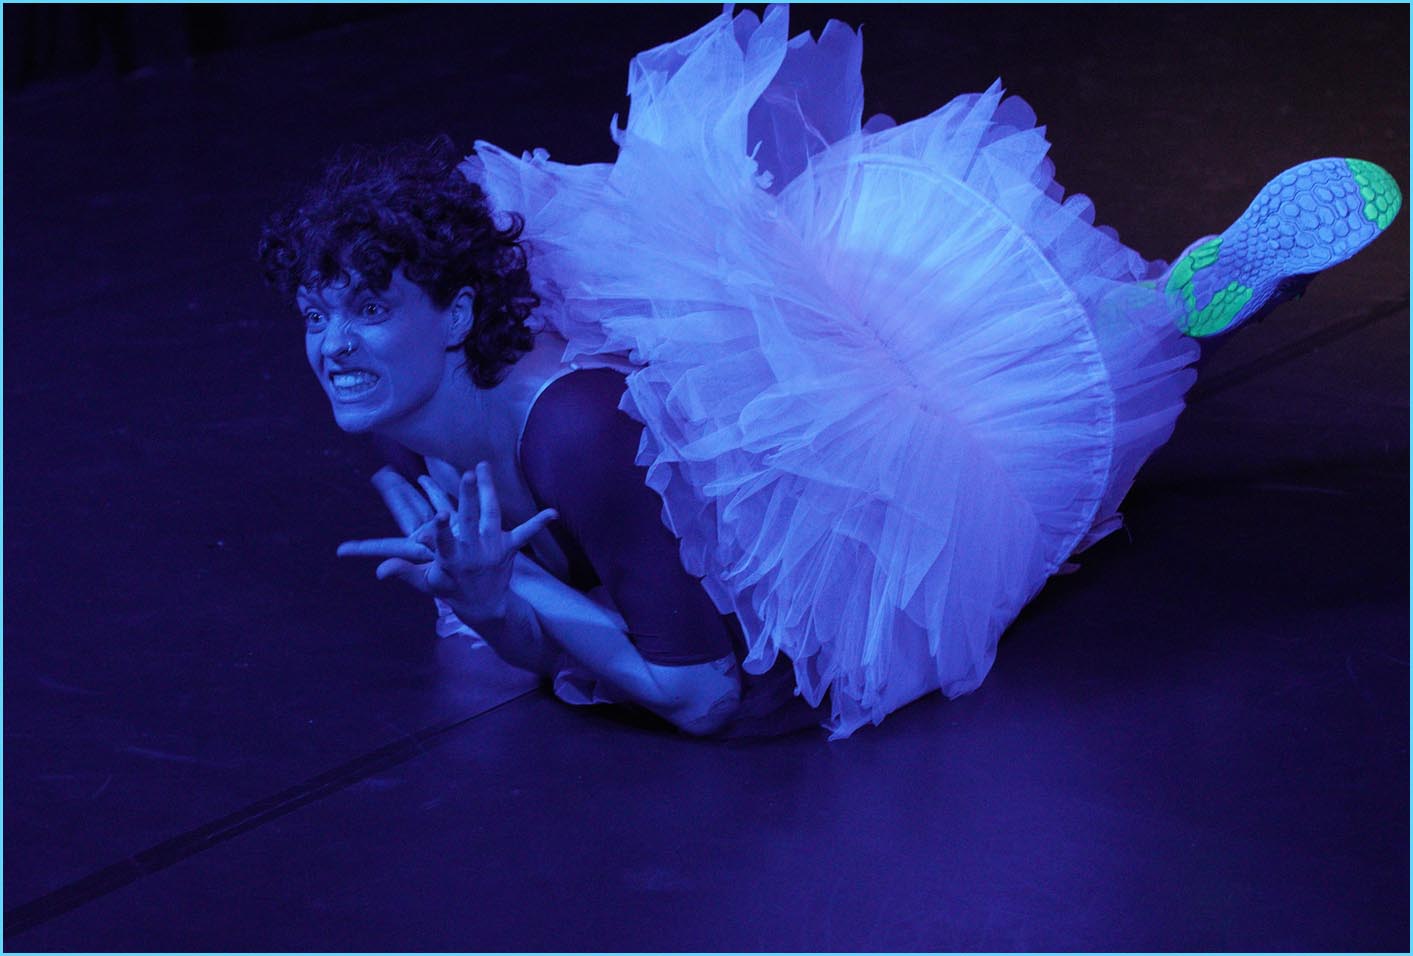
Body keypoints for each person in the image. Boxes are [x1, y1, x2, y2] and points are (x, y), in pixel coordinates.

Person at [258, 6, 1400, 739]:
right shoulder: (395, 410)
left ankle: (1183, 303)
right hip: (738, 472)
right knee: (1001, 356)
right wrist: (493, 597)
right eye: (318, 315)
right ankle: (1157, 301)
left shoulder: (575, 429)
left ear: (458, 314)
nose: (334, 345)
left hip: (832, 533)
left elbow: (700, 695)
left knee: (1027, 430)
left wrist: (515, 589)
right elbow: (522, 621)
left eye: (371, 309)